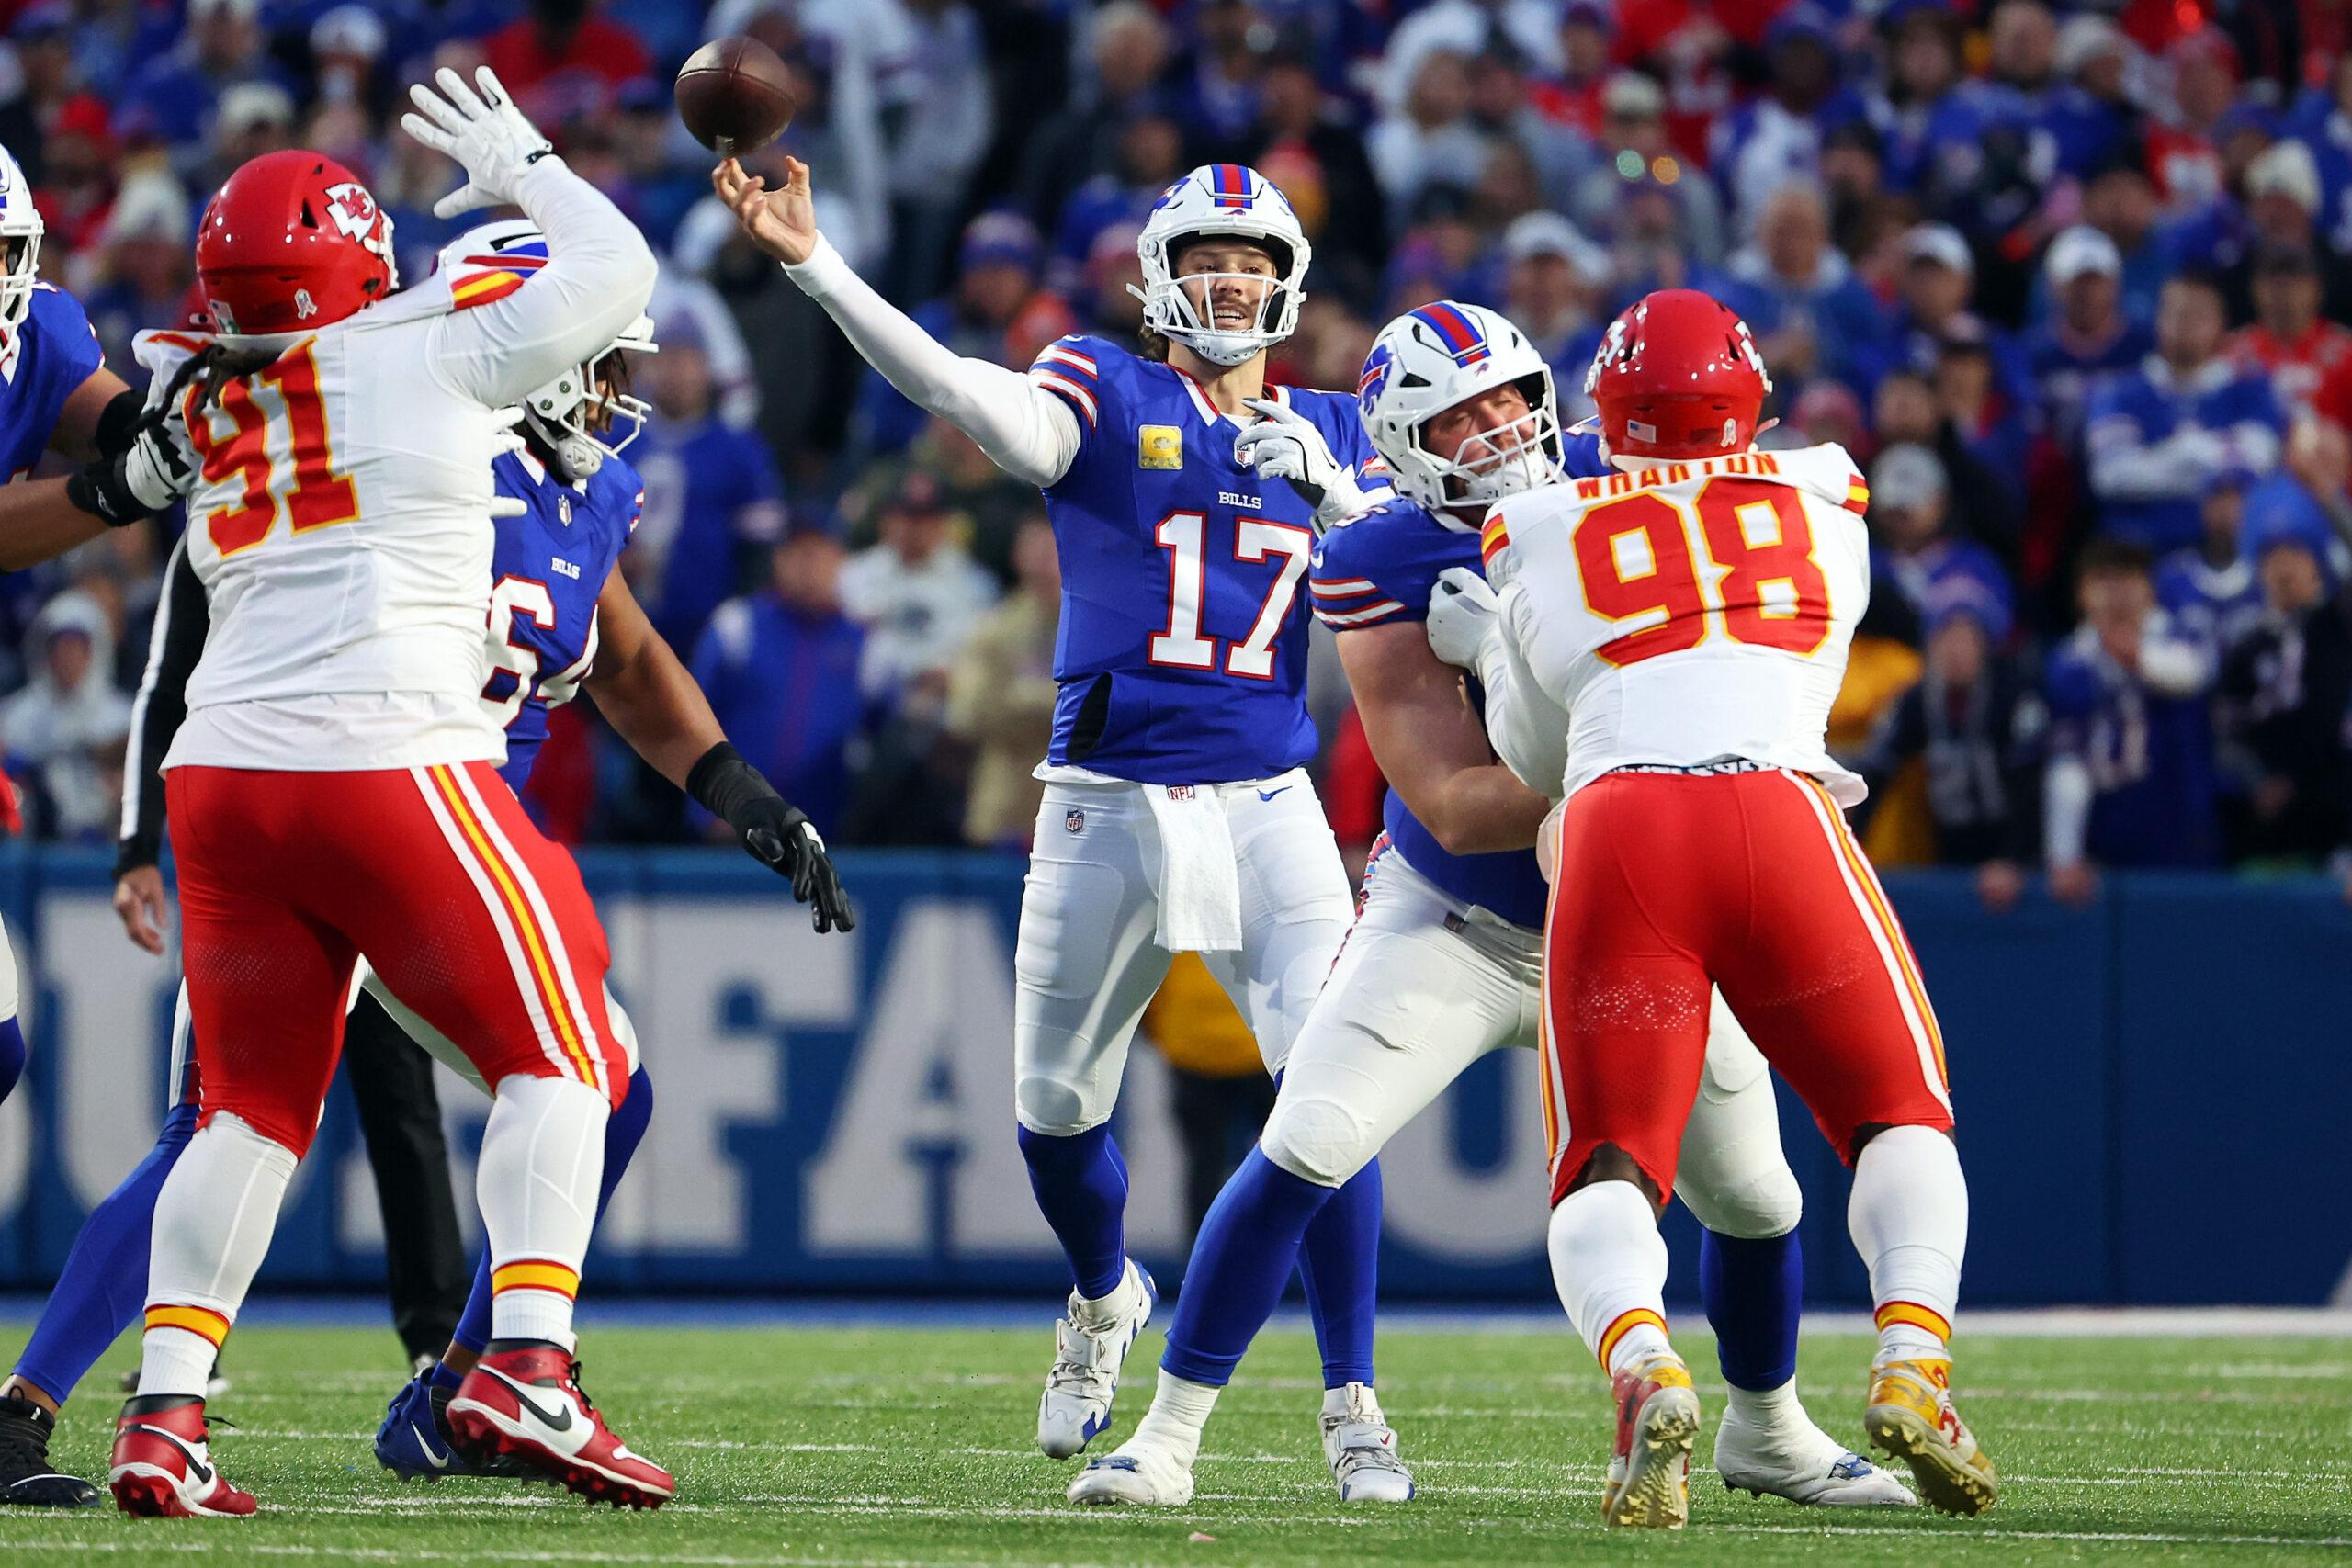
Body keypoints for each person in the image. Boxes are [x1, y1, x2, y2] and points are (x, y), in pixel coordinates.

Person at [104, 71, 815, 1519]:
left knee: (247, 1113)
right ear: (360, 268)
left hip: (221, 781)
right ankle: (527, 1364)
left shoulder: (210, 389)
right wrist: (526, 163)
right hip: (385, 751)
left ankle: (166, 1413)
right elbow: (619, 264)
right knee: (575, 1054)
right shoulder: (424, 345)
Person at [1070, 301, 1912, 1511]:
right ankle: (1166, 1436)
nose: (1501, 429)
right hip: (1458, 922)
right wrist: (1668, 769)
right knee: (1306, 1140)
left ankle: (1769, 1429)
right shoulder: (1376, 558)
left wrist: (1688, 754)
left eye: (1511, 397)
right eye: (1459, 418)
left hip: (1636, 922)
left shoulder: (1621, 483)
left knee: (1757, 1196)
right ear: (1402, 447)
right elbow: (1458, 806)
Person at [714, 153, 1400, 1489]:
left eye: (1250, 264)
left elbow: (1466, 552)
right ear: (1157, 280)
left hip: (1268, 805)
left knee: (1331, 1101)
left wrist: (1347, 495)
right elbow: (963, 396)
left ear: (1290, 285)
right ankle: (1101, 1293)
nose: (1228, 284)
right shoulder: (1104, 383)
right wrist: (817, 265)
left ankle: (1354, 1402)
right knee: (1052, 1111)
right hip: (1101, 801)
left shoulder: (1342, 425)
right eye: (1205, 262)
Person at [1438, 290, 1995, 1528]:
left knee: (1608, 1157)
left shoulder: (1532, 526)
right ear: (1751, 405)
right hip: (1780, 812)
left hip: (1625, 824)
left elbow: (1536, 755)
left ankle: (1643, 1358)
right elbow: (1808, 654)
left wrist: (1488, 651)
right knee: (1896, 1111)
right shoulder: (1829, 492)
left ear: (1607, 411)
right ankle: (1912, 1352)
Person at [0, 133, 206, 1506]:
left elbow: (111, 422)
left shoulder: (45, 332)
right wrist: (112, 491)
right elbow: (90, 488)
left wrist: (184, 427)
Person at [2043, 539, 2220, 903]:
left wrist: (2137, 657)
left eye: (2127, 578)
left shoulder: (2182, 631)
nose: (2117, 593)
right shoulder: (2071, 662)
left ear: (2149, 588)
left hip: (2183, 829)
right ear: (2081, 593)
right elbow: (2068, 763)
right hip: (2108, 835)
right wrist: (2064, 854)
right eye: (2103, 579)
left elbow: (2192, 673)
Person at [2084, 271, 2283, 555]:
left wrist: (2169, 455)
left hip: (2228, 552)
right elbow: (2111, 475)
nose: (2185, 324)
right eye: (2176, 313)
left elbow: (2258, 461)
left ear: (2221, 324)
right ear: (2158, 318)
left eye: (2198, 315)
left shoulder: (2251, 387)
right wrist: (2197, 454)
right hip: (2138, 554)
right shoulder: (2118, 392)